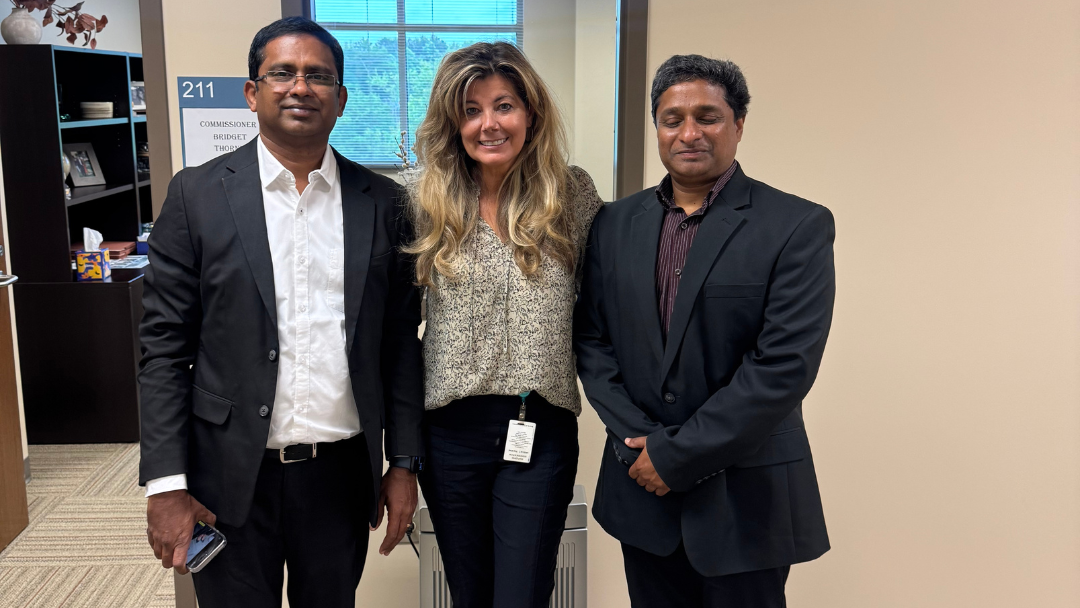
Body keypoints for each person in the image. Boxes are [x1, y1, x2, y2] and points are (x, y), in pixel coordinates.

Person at [138, 17, 424, 608]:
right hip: (227, 476)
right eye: (282, 73)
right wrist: (166, 484)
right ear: (252, 92)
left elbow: (400, 345)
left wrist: (403, 464)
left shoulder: (384, 203)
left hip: (340, 476)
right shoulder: (196, 196)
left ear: (341, 99)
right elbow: (163, 349)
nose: (300, 87)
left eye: (319, 76)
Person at [574, 54, 834, 607]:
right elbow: (593, 344)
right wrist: (642, 446)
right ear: (657, 128)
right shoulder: (612, 224)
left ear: (738, 124)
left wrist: (676, 456)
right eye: (672, 119)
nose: (688, 133)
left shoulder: (796, 225)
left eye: (707, 117)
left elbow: (782, 367)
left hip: (747, 500)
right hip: (641, 492)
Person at [407, 41, 604, 608]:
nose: (488, 124)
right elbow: (394, 330)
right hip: (448, 435)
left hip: (539, 429)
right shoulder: (422, 200)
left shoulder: (571, 193)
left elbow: (604, 312)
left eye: (504, 106)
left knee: (523, 594)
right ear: (453, 122)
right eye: (471, 110)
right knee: (470, 594)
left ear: (531, 113)